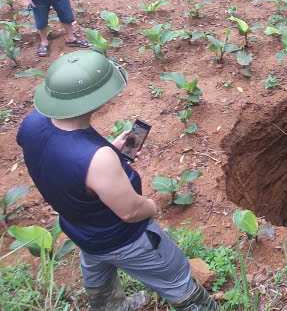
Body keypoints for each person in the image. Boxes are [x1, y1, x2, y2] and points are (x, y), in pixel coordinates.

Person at [16, 51, 216, 311]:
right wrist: (152, 207)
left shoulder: (31, 124)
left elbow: (61, 162)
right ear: (94, 100)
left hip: (81, 232)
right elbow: (130, 211)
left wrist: (109, 152)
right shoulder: (99, 160)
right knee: (176, 278)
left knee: (100, 284)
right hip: (125, 239)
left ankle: (113, 306)